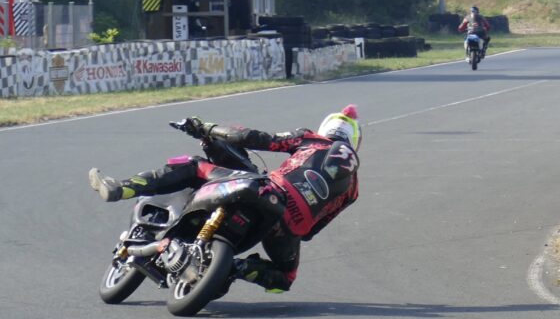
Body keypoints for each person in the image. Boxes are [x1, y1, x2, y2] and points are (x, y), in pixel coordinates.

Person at [89, 105, 362, 294]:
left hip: (267, 189)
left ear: (326, 129)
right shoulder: (352, 189)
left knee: (195, 165)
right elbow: (311, 232)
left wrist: (207, 128)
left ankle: (122, 188)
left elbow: (252, 138)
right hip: (286, 226)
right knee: (284, 279)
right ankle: (236, 268)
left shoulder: (311, 140)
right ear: (355, 141)